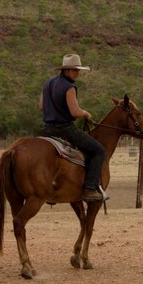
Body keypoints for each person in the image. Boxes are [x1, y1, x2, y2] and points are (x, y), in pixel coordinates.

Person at [38, 54, 107, 202]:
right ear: (66, 70)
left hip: (46, 130)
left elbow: (41, 106)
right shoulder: (69, 87)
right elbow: (75, 113)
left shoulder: (47, 84)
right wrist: (86, 113)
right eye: (75, 70)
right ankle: (89, 189)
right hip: (65, 129)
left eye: (78, 70)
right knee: (99, 151)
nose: (78, 73)